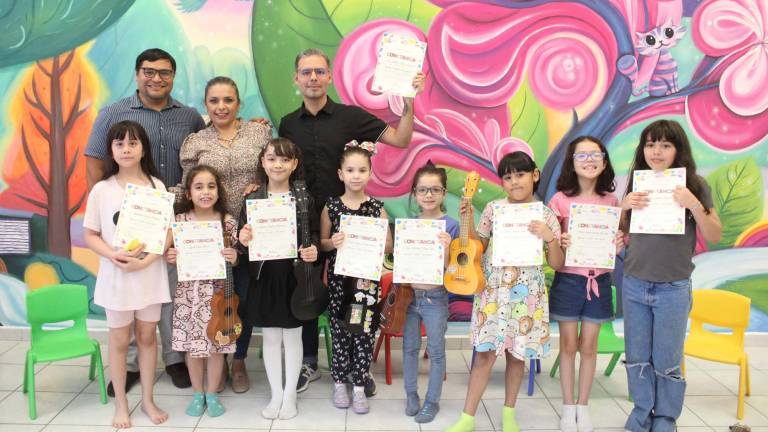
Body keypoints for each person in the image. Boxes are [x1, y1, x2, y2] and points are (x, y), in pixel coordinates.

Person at [279, 47, 424, 395]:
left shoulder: (350, 116)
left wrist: (409, 103)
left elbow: (402, 139)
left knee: (357, 296)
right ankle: (310, 362)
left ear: (329, 76)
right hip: (303, 224)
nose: (313, 78)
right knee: (308, 291)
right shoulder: (287, 123)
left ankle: (359, 369)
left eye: (319, 71)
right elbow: (278, 165)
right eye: (306, 72)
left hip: (351, 226)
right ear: (296, 79)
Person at [85, 48, 206, 393]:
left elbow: (201, 157)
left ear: (173, 76)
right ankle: (133, 366)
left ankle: (173, 358)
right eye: (149, 71)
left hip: (173, 219)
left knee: (166, 291)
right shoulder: (114, 113)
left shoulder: (190, 116)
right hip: (124, 224)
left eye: (165, 73)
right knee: (130, 291)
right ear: (137, 74)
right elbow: (94, 162)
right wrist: (108, 217)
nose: (157, 78)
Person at [446, 151, 565, 432]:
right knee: (484, 354)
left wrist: (549, 237)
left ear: (535, 175)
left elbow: (557, 263)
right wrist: (470, 222)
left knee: (517, 356)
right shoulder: (492, 209)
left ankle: (509, 414)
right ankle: (467, 417)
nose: (514, 182)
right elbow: (479, 247)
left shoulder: (546, 215)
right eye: (508, 177)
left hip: (527, 296)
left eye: (520, 175)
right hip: (493, 292)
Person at [620, 120, 721, 432]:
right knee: (637, 357)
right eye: (650, 144)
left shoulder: (696, 185)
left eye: (665, 144)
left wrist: (693, 203)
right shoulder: (637, 183)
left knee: (667, 359)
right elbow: (625, 234)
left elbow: (714, 234)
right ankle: (641, 413)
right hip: (635, 283)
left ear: (678, 149)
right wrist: (624, 208)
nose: (656, 151)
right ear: (643, 149)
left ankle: (665, 418)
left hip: (673, 288)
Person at [173, 76, 272, 393]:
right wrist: (151, 209)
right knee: (215, 301)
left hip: (250, 232)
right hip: (210, 236)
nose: (221, 106)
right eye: (214, 100)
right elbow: (187, 188)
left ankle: (238, 361)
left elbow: (275, 169)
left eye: (228, 100)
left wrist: (263, 187)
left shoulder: (259, 132)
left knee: (243, 299)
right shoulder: (196, 142)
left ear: (238, 103)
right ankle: (214, 358)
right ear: (206, 104)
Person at [83, 120, 171, 428]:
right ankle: (121, 403)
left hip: (149, 275)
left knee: (148, 337)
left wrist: (147, 262)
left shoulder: (157, 187)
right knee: (120, 341)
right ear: (111, 150)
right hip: (117, 277)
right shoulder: (101, 190)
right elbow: (90, 234)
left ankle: (147, 399)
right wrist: (113, 254)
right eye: (119, 144)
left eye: (133, 143)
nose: (126, 149)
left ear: (143, 148)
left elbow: (167, 234)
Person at [237, 138, 320, 420]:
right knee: (271, 338)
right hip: (264, 277)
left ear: (294, 164)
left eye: (285, 159)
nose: (278, 164)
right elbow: (241, 242)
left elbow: (315, 239)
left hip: (294, 277)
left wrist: (313, 251)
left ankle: (290, 396)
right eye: (272, 158)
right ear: (262, 162)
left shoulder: (304, 198)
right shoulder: (252, 199)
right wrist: (243, 238)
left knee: (293, 337)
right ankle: (275, 393)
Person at [548, 136, 624, 432]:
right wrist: (559, 240)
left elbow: (615, 243)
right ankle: (568, 408)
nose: (589, 160)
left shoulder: (611, 201)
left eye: (595, 154)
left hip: (599, 281)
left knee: (589, 347)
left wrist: (618, 243)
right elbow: (552, 248)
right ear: (572, 162)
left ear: (604, 161)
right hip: (568, 280)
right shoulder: (559, 200)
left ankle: (583, 406)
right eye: (582, 155)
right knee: (568, 345)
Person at [320, 143, 393, 414]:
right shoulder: (332, 207)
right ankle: (339, 383)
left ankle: (360, 387)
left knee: (364, 334)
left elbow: (388, 245)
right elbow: (322, 243)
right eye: (350, 170)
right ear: (340, 174)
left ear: (370, 173)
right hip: (340, 283)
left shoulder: (376, 208)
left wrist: (377, 242)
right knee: (341, 334)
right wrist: (332, 242)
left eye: (362, 170)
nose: (356, 175)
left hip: (367, 284)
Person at [166, 165, 237, 418]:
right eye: (198, 187)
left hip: (219, 295)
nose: (205, 192)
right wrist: (171, 255)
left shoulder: (227, 221)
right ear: (188, 193)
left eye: (211, 186)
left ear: (218, 190)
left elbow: (236, 259)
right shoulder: (180, 221)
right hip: (189, 295)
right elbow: (168, 253)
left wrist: (234, 255)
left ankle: (212, 393)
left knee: (217, 347)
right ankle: (197, 393)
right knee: (192, 347)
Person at [401, 163, 458, 424]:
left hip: (436, 298)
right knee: (410, 348)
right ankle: (411, 394)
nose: (428, 195)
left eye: (435, 189)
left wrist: (447, 250)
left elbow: (456, 270)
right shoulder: (409, 225)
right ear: (414, 193)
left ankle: (432, 400)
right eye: (422, 189)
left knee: (436, 351)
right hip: (410, 297)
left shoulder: (452, 226)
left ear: (444, 193)